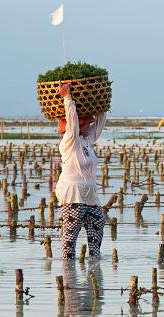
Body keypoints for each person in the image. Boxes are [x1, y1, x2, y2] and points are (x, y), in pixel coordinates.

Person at [55, 82, 107, 260]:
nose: (90, 126)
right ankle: (68, 277)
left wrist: (102, 103)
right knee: (70, 236)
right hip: (73, 194)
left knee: (98, 221)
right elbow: (72, 121)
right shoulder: (70, 142)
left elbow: (99, 125)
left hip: (89, 194)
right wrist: (67, 98)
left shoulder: (86, 141)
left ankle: (94, 262)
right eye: (87, 124)